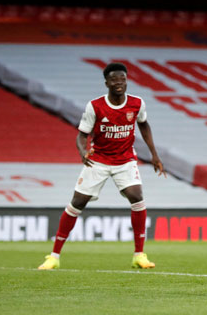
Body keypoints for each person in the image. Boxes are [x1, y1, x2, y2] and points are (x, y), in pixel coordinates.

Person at [38, 62, 165, 270]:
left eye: (122, 79)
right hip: (98, 160)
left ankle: (139, 255)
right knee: (78, 201)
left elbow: (143, 124)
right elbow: (82, 135)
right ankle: (53, 256)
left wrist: (154, 154)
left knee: (136, 196)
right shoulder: (95, 106)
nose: (119, 83)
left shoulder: (137, 103)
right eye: (114, 80)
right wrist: (82, 151)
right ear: (106, 82)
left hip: (125, 160)